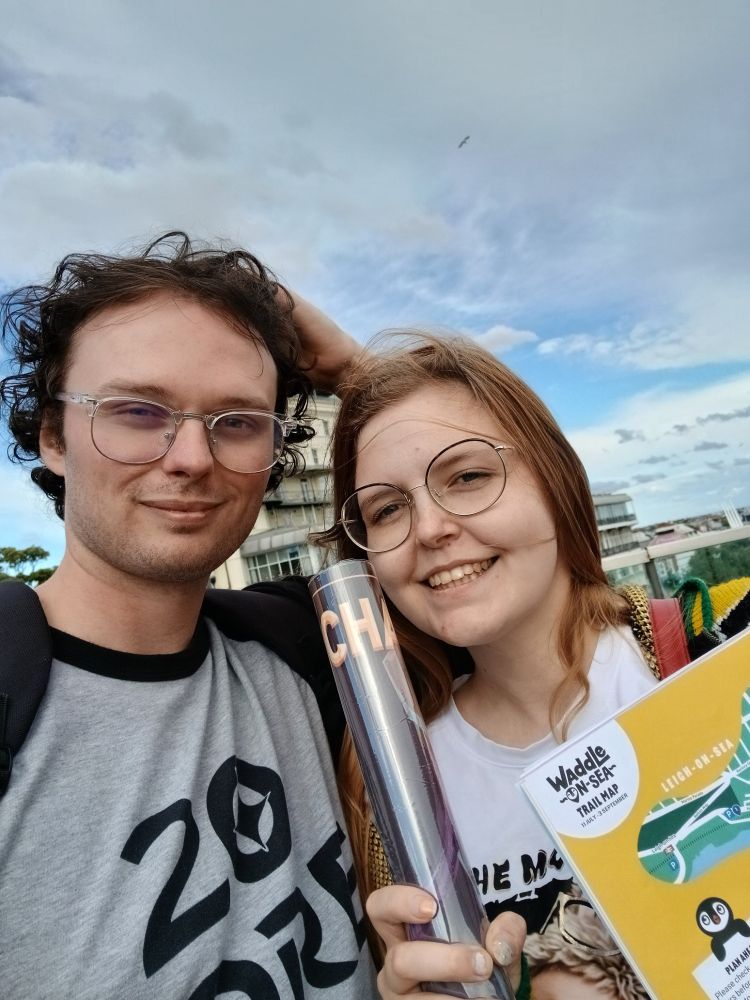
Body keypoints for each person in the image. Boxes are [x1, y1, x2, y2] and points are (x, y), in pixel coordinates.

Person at [0, 233, 525, 1000]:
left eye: (238, 421)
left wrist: (359, 373)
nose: (190, 456)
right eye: (137, 411)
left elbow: (510, 540)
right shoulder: (15, 700)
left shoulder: (312, 648)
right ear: (53, 435)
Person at [319, 331, 750, 999]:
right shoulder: (389, 795)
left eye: (467, 476)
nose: (430, 528)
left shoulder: (718, 651)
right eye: (387, 509)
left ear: (554, 478)